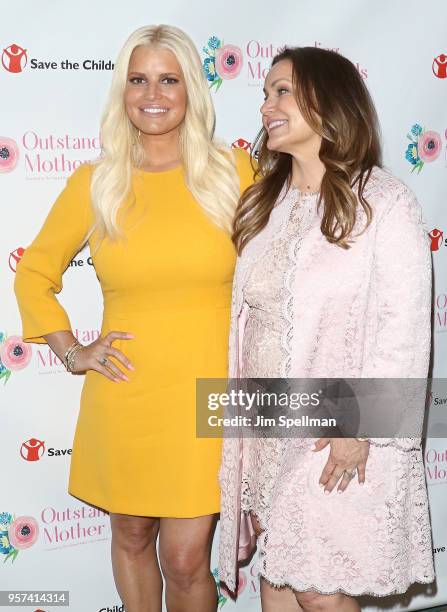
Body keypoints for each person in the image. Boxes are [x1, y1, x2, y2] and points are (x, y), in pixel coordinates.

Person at [14, 24, 253, 612]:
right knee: (130, 535)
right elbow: (34, 273)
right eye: (138, 79)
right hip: (126, 393)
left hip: (211, 396)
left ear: (192, 89)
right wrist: (73, 350)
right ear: (121, 91)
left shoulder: (236, 175)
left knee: (187, 557)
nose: (153, 93)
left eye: (169, 79)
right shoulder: (96, 184)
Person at [218, 47, 435, 612]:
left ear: (328, 102)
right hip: (267, 425)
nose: (267, 104)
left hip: (335, 430)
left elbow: (403, 328)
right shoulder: (264, 203)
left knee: (321, 593)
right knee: (280, 585)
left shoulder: (383, 202)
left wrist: (357, 425)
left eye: (282, 90)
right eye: (265, 93)